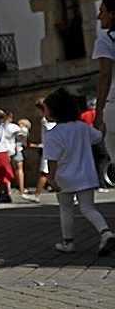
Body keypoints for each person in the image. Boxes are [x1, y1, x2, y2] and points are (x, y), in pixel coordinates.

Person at [42, 88, 114, 255]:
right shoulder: (82, 127)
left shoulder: (52, 134)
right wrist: (101, 126)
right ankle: (105, 232)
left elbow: (52, 159)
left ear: (54, 111)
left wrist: (51, 179)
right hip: (87, 176)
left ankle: (68, 242)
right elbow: (98, 137)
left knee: (66, 209)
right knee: (88, 208)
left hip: (64, 177)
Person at [93, 0, 115, 164]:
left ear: (112, 14)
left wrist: (99, 112)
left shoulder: (105, 41)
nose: (99, 16)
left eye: (102, 11)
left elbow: (105, 76)